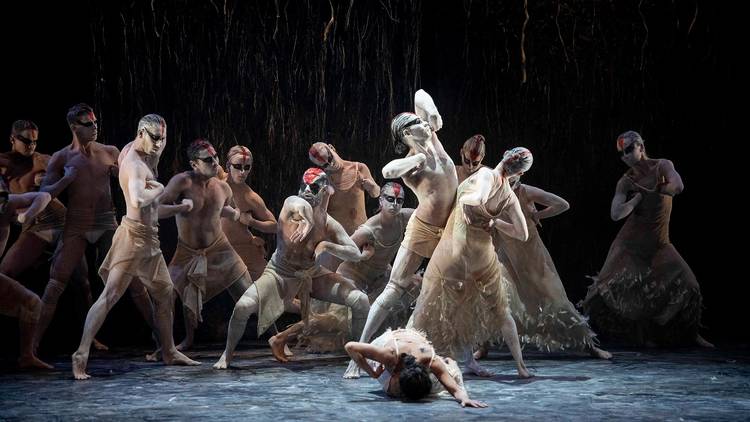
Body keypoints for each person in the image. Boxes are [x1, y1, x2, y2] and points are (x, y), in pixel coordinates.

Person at [71, 114, 199, 380]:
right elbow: (140, 199)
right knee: (110, 296)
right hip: (134, 238)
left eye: (163, 138)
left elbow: (152, 208)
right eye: (154, 138)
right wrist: (162, 188)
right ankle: (81, 354)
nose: (159, 144)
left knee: (164, 294)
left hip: (150, 240)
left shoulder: (142, 150)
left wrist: (177, 207)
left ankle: (169, 351)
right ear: (141, 132)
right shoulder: (134, 163)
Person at [214, 168, 373, 369]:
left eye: (313, 187)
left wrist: (327, 246)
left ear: (324, 191)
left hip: (312, 274)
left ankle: (357, 357)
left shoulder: (327, 222)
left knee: (360, 300)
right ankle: (226, 356)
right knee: (243, 307)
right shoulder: (292, 204)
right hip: (281, 273)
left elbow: (352, 252)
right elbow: (298, 205)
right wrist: (306, 220)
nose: (306, 190)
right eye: (303, 186)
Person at [34, 104, 153, 351]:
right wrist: (66, 180)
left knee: (133, 280)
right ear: (73, 127)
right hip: (77, 223)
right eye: (88, 124)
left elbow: (141, 178)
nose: (95, 127)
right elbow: (43, 195)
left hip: (106, 221)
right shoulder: (62, 157)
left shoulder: (110, 152)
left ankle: (163, 340)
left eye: (96, 122)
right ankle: (30, 348)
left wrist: (119, 173)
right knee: (56, 283)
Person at [353, 89, 458, 361]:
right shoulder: (411, 162)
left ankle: (465, 357)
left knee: (458, 286)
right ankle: (361, 351)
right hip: (423, 228)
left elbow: (420, 93)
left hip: (450, 229)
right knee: (393, 289)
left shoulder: (432, 138)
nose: (424, 125)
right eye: (417, 124)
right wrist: (414, 159)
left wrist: (432, 112)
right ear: (406, 135)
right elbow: (387, 172)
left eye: (424, 122)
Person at [410, 147, 534, 378]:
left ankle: (407, 354)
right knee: (496, 311)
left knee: (428, 303)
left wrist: (466, 202)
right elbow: (522, 234)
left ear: (506, 156)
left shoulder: (487, 175)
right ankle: (520, 366)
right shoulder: (509, 194)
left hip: (456, 250)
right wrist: (495, 222)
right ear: (519, 173)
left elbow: (478, 197)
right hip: (483, 256)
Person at [581, 131, 712, 347]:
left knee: (690, 285)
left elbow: (678, 187)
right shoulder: (627, 181)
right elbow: (616, 214)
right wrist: (637, 199)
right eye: (622, 153)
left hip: (660, 243)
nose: (626, 156)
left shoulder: (662, 166)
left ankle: (691, 334)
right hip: (630, 245)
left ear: (641, 146)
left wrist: (658, 188)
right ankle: (620, 338)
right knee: (605, 293)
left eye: (630, 149)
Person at [272, 182, 415, 360]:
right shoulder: (369, 229)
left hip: (380, 276)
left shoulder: (404, 217)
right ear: (381, 201)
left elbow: (429, 214)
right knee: (336, 319)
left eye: (399, 200)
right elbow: (346, 252)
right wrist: (359, 256)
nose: (395, 204)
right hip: (354, 275)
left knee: (412, 287)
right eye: (390, 199)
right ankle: (281, 338)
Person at [475, 172, 611, 359]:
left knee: (556, 300)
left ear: (520, 174)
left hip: (533, 258)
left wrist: (537, 214)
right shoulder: (493, 194)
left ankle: (589, 346)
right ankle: (484, 347)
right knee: (496, 300)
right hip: (507, 258)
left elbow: (562, 204)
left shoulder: (525, 192)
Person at [0, 120, 107, 350]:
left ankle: (90, 337)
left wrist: (55, 179)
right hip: (35, 228)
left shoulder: (44, 160)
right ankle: (25, 342)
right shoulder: (2, 164)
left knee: (82, 283)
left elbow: (75, 172)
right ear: (12, 139)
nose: (31, 146)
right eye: (26, 141)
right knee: (4, 274)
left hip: (60, 222)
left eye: (35, 141)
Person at [159, 139, 256, 351]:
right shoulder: (182, 182)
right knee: (168, 294)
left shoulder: (222, 187)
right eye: (208, 159)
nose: (215, 162)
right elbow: (156, 209)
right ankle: (173, 344)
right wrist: (178, 209)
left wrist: (239, 216)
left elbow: (226, 210)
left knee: (250, 292)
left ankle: (277, 337)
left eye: (215, 157)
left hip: (220, 249)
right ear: (195, 164)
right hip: (187, 251)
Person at [344, 328, 486, 408]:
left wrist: (465, 398)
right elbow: (350, 346)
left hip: (416, 341)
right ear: (398, 373)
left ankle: (448, 363)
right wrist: (373, 373)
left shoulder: (431, 360)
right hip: (392, 340)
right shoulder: (389, 355)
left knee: (448, 379)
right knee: (393, 392)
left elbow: (455, 389)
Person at [0, 177, 53, 369]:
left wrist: (27, 215)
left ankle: (26, 356)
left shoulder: (7, 205)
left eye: (2, 197)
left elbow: (44, 195)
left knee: (31, 304)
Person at [221, 145, 277, 280]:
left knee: (269, 290)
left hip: (244, 252)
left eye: (247, 168)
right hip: (216, 251)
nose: (242, 172)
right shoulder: (215, 179)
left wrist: (253, 222)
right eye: (238, 166)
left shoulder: (250, 196)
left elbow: (275, 226)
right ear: (228, 166)